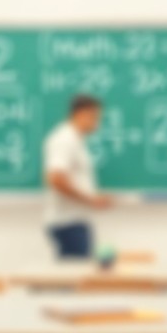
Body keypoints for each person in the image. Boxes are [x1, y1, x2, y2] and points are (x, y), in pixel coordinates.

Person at [43, 94, 113, 258]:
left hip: (75, 220)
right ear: (81, 114)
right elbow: (56, 179)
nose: (97, 123)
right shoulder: (64, 139)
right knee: (73, 276)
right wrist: (90, 199)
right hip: (67, 222)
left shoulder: (75, 139)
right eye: (95, 117)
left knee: (73, 277)